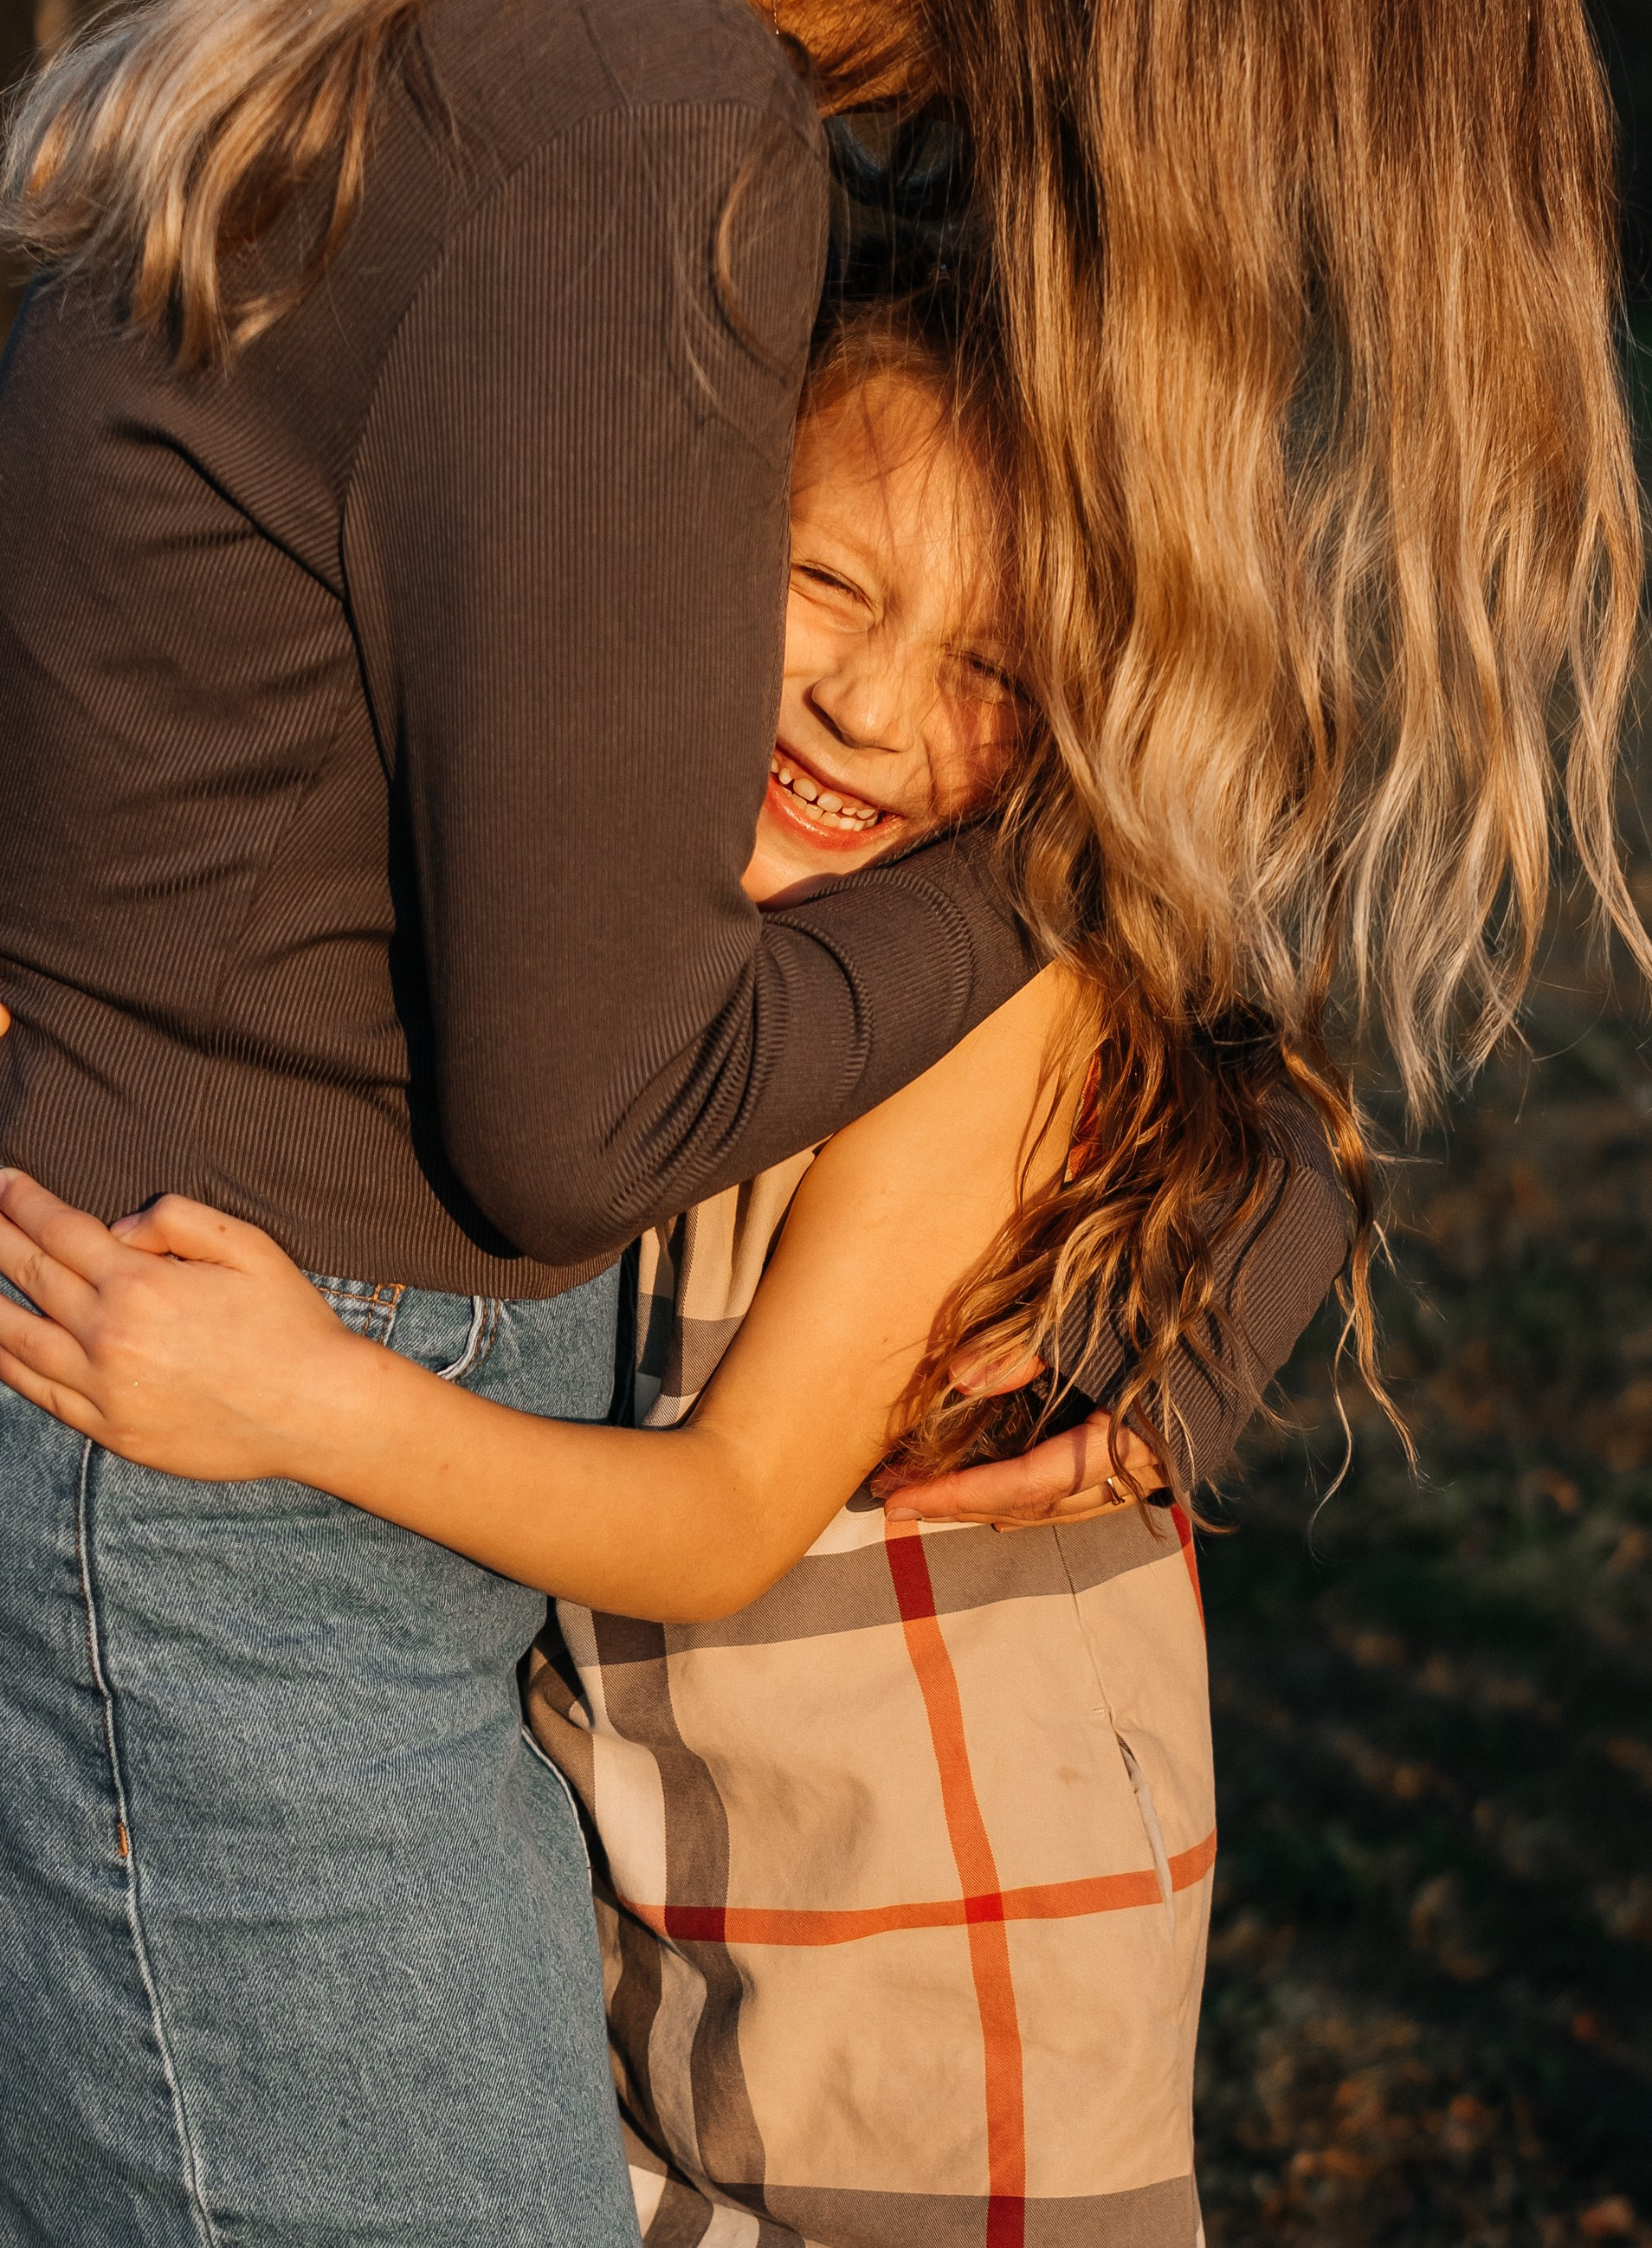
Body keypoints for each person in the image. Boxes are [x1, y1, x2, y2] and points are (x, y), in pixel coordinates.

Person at [0, 0, 1652, 2241]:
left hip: (314, 1516)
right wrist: (1076, 859)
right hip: (222, 1486)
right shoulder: (639, 117)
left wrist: (1205, 1150)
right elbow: (588, 1111)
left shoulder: (693, 104)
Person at [0, 299, 1349, 2247]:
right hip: (662, 1892)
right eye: (826, 583)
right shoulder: (617, 904)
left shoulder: (982, 1002)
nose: (871, 706)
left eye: (990, 668)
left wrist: (302, 1395)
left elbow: (721, 1518)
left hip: (925, 1958)